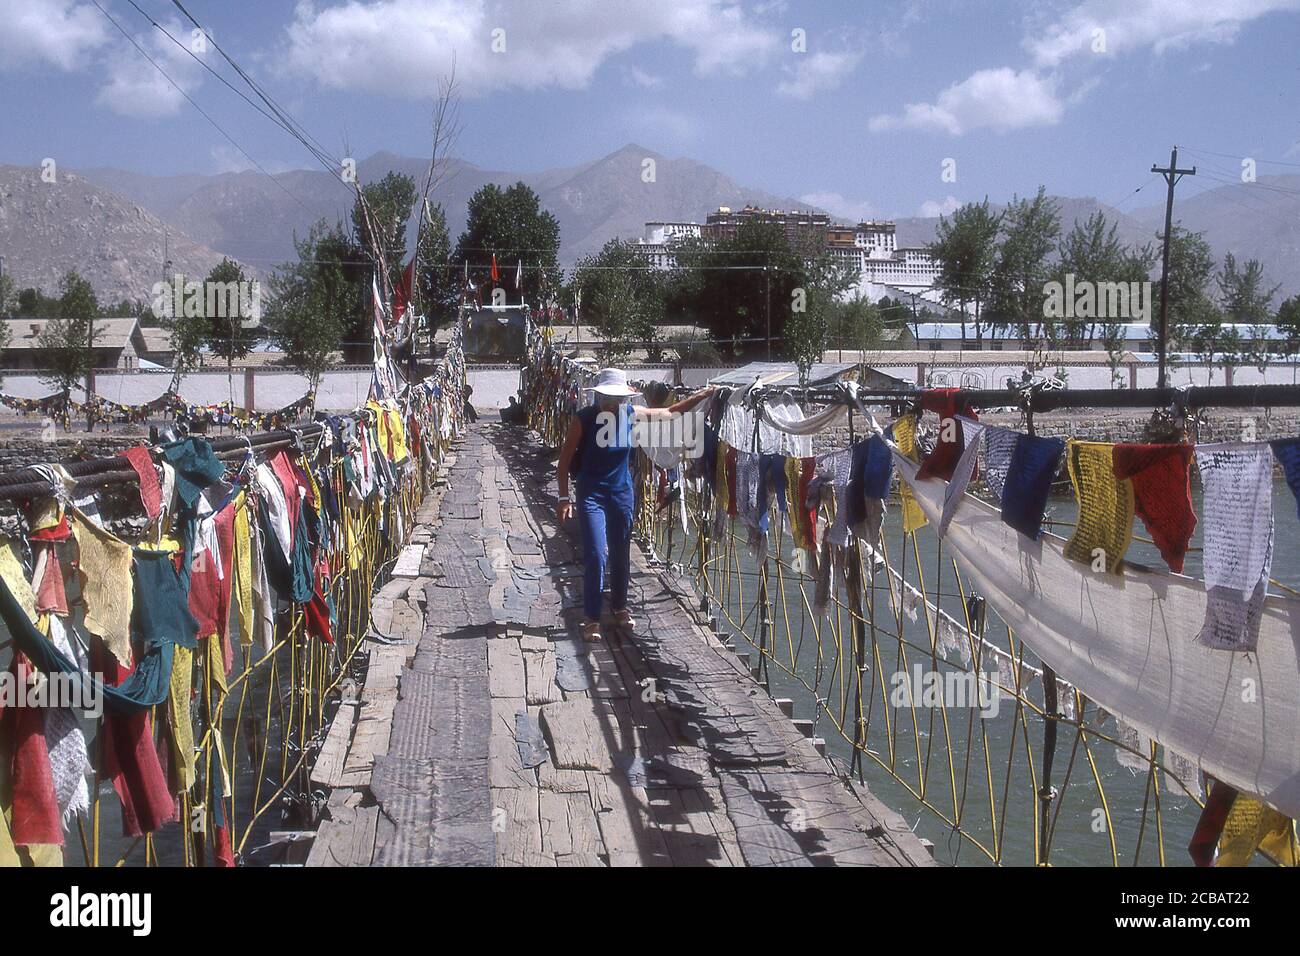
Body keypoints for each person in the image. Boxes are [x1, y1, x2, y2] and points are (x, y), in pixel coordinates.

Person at [556, 369, 714, 642]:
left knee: (620, 553)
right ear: (598, 395)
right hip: (591, 493)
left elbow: (670, 413)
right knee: (596, 553)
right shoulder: (582, 420)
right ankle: (592, 617)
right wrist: (562, 497)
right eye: (606, 397)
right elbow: (564, 461)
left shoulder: (632, 414)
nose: (611, 403)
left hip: (622, 494)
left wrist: (703, 395)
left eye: (616, 399)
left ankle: (619, 606)